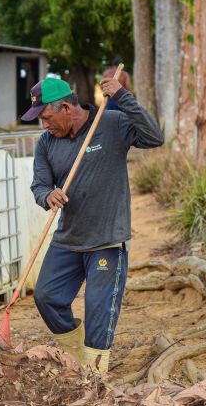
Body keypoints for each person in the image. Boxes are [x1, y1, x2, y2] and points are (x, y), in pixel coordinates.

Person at [20, 72, 163, 373]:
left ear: (67, 109)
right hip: (69, 239)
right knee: (47, 297)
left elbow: (154, 137)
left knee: (98, 311)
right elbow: (39, 185)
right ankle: (77, 360)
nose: (43, 125)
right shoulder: (46, 143)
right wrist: (48, 196)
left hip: (106, 240)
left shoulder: (110, 124)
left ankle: (95, 375)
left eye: (46, 117)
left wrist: (123, 97)